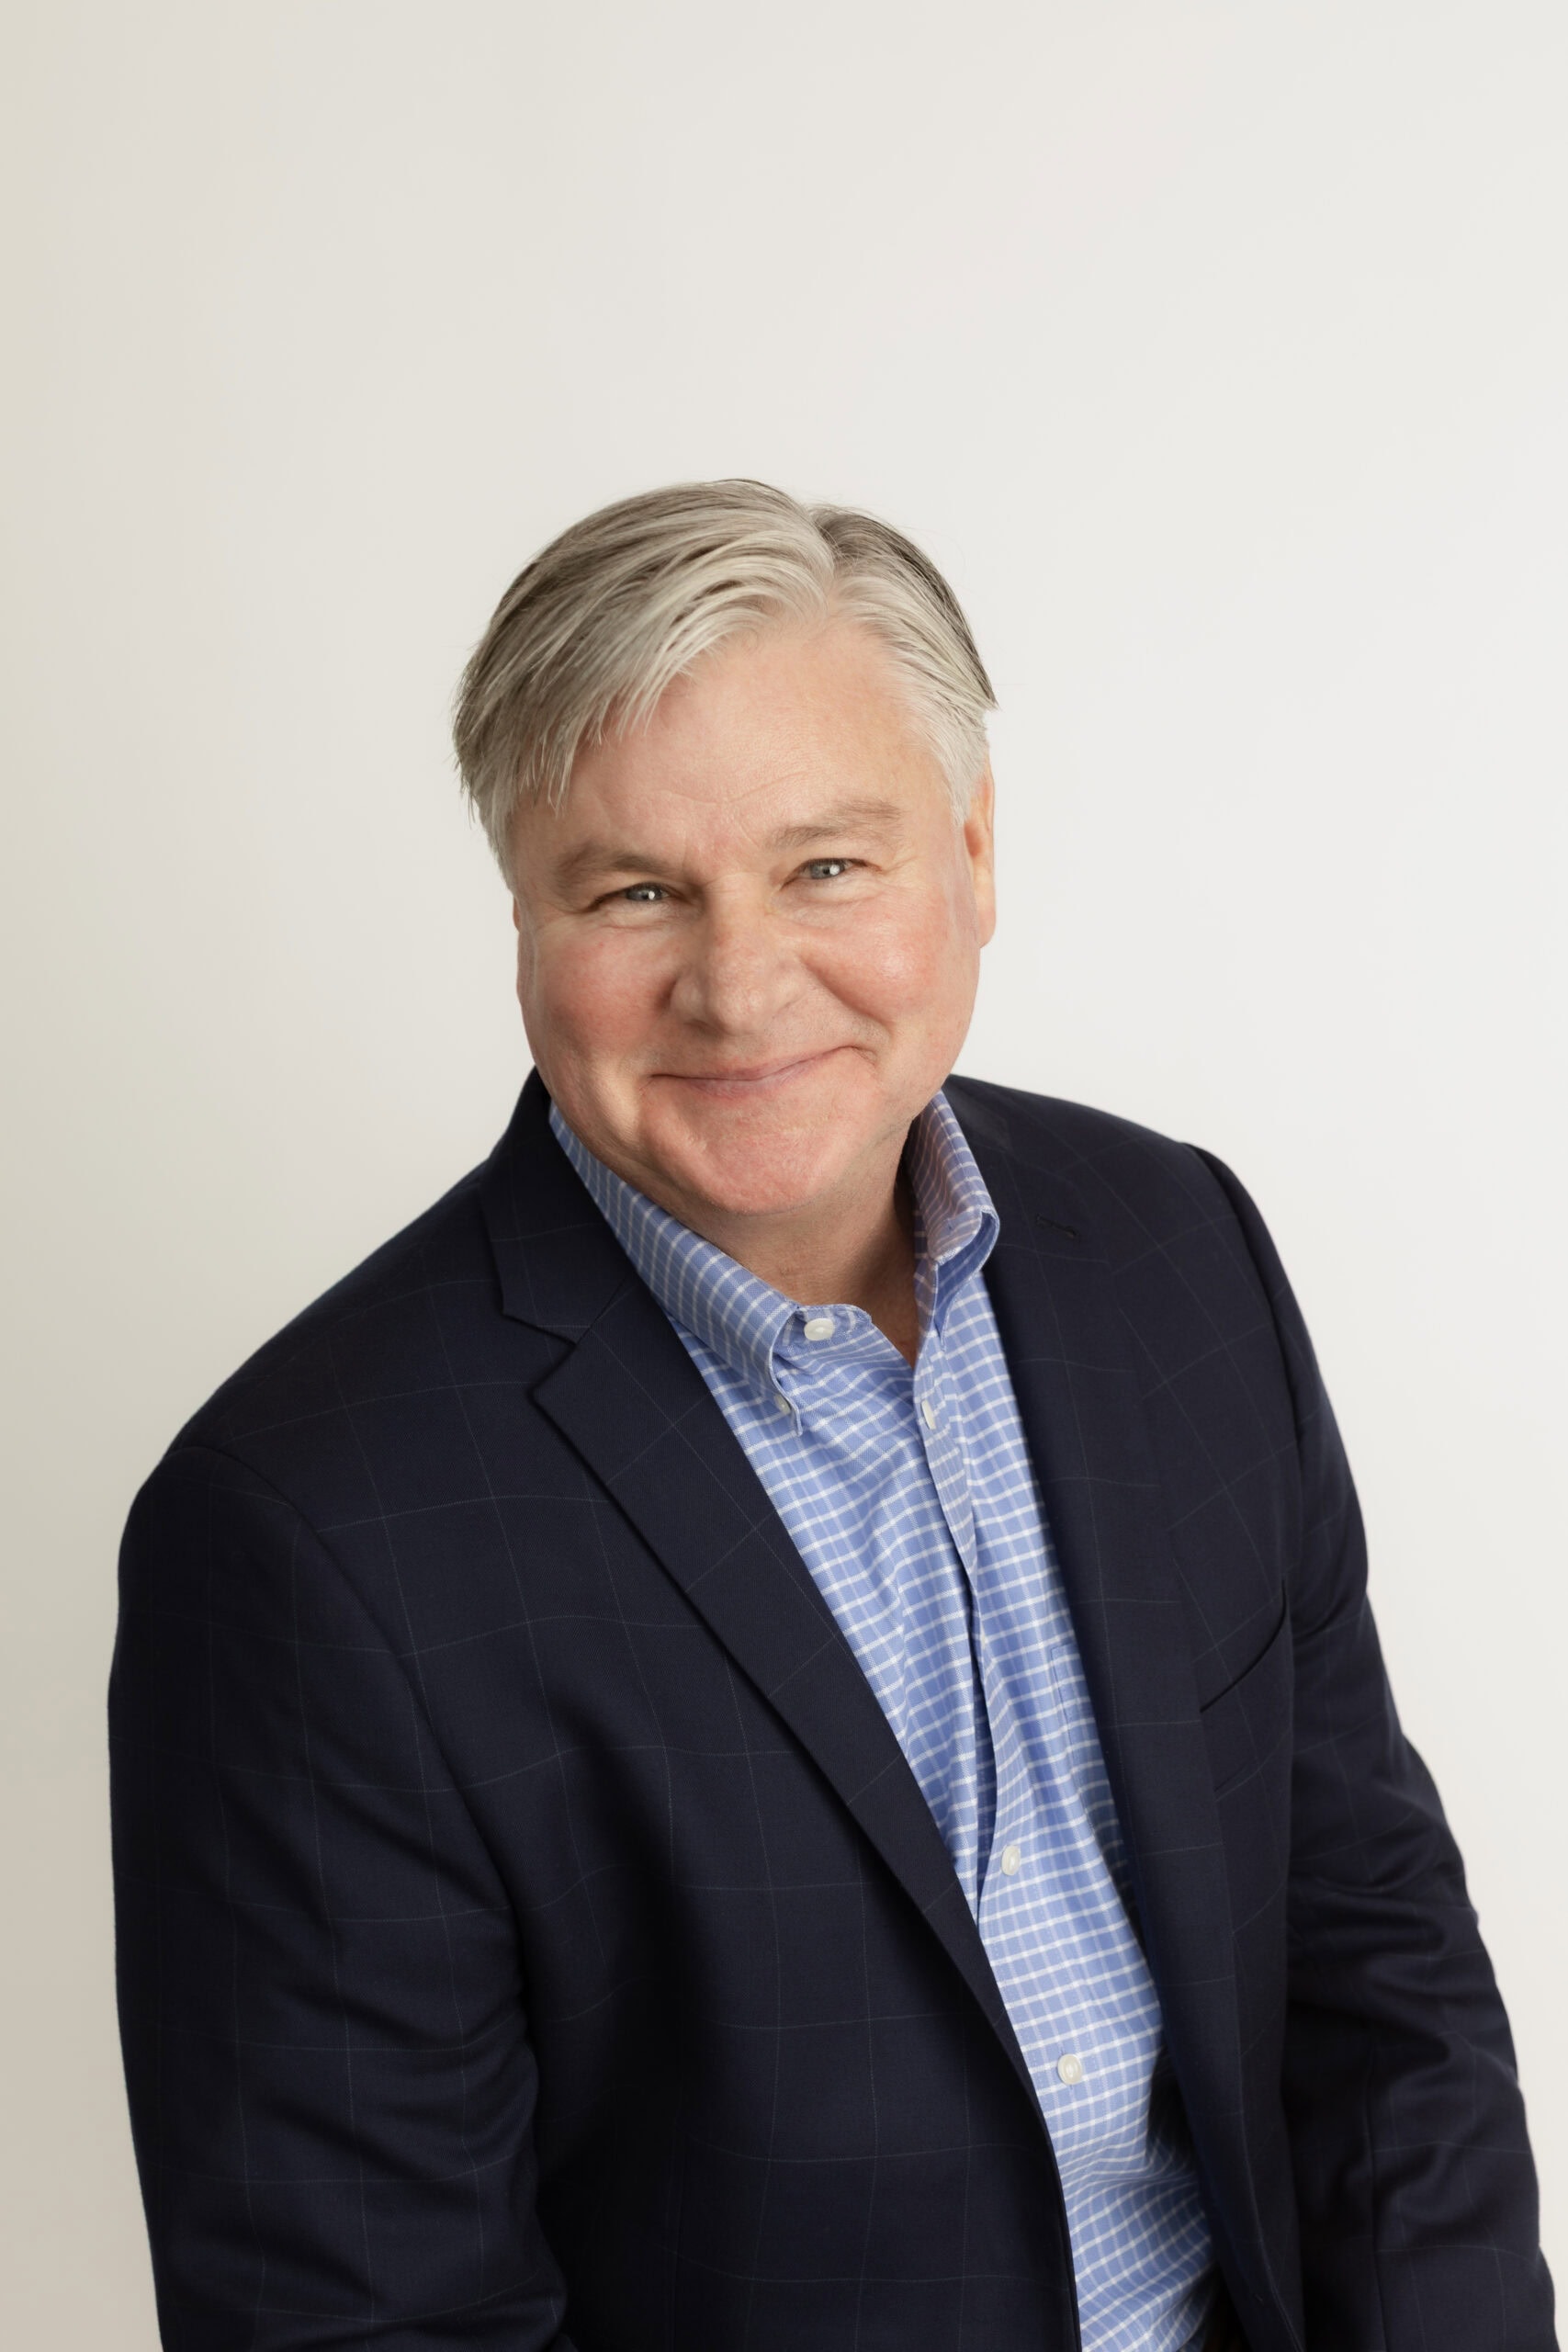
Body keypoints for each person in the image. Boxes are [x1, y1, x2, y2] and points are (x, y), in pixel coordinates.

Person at [110, 481, 1555, 2352]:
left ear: (971, 852)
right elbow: (366, 2320)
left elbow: (1376, 1962)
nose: (738, 986)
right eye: (634, 889)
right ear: (522, 915)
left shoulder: (1174, 1248)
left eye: (825, 867)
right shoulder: (301, 1534)